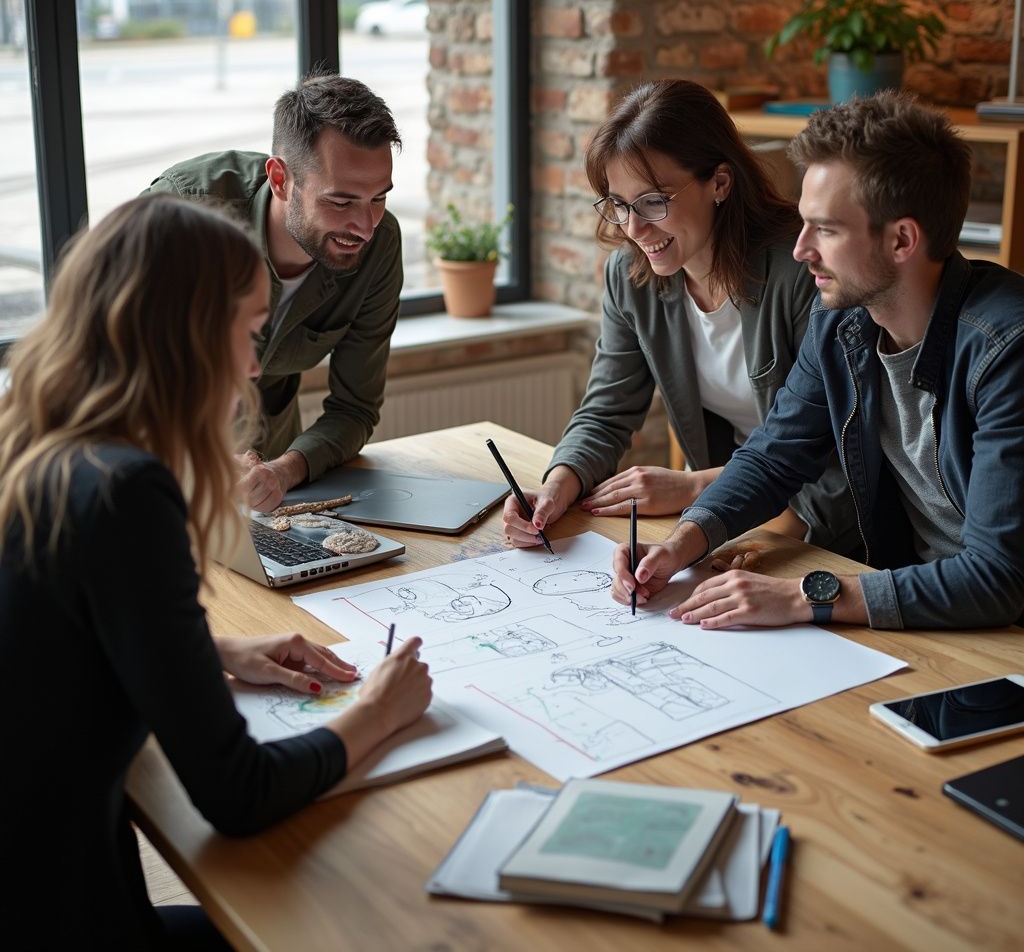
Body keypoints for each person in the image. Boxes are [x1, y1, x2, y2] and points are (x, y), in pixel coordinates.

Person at [0, 195, 432, 949]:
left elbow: (53, 648)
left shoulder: (34, 445)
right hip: (68, 922)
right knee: (359, 922)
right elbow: (237, 794)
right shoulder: (127, 492)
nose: (256, 364)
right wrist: (381, 712)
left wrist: (213, 654)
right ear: (191, 338)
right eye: (251, 331)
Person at [612, 91, 1024, 631]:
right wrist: (680, 544)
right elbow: (775, 456)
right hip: (918, 608)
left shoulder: (1007, 349)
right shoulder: (844, 320)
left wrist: (805, 597)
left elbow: (998, 577)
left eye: (825, 229)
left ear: (902, 239)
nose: (802, 249)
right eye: (804, 225)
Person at [503, 79, 855, 554]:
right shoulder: (630, 278)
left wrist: (695, 488)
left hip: (823, 519)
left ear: (720, 183)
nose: (634, 228)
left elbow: (835, 446)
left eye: (653, 201)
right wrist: (558, 486)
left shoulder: (802, 272)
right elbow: (607, 411)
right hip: (733, 510)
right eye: (619, 205)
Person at [146, 74, 403, 512]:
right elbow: (113, 372)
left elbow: (355, 408)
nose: (365, 227)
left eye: (378, 198)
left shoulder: (380, 245)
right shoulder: (182, 212)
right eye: (341, 202)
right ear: (281, 179)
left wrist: (284, 470)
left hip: (273, 478)